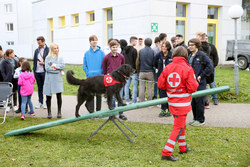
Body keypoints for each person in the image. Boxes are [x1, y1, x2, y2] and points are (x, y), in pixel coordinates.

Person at [158, 46, 199, 161]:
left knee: (181, 125)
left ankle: (182, 147)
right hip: (182, 103)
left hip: (172, 102)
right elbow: (193, 88)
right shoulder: (188, 68)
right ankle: (166, 152)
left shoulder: (168, 67)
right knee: (178, 128)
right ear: (185, 56)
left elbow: (160, 84)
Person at [187, 38, 213, 127]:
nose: (190, 47)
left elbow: (210, 66)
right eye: (189, 45)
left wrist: (201, 75)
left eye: (192, 45)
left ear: (197, 46)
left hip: (200, 83)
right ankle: (195, 118)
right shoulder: (190, 56)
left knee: (199, 101)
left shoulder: (202, 55)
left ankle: (201, 120)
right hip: (192, 83)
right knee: (193, 101)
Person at [102, 39, 127, 120]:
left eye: (116, 47)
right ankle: (112, 114)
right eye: (113, 47)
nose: (115, 48)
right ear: (110, 47)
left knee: (119, 96)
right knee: (111, 97)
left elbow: (123, 67)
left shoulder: (121, 57)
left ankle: (121, 113)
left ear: (118, 47)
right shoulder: (106, 57)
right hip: (110, 80)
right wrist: (106, 76)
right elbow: (104, 68)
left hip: (119, 80)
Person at [83, 35, 105, 112]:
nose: (94, 41)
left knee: (99, 95)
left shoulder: (102, 53)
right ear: (90, 42)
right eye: (93, 40)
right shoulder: (86, 53)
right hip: (90, 78)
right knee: (91, 95)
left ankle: (98, 111)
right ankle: (91, 112)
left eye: (96, 40)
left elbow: (104, 64)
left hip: (99, 77)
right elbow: (84, 66)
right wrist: (88, 73)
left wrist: (102, 74)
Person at [43, 43, 65, 119]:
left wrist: (54, 66)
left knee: (59, 95)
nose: (56, 50)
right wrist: (57, 69)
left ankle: (59, 111)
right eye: (55, 48)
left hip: (57, 79)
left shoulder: (60, 57)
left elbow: (62, 66)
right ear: (52, 49)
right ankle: (49, 112)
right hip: (49, 79)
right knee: (48, 96)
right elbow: (47, 68)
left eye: (57, 48)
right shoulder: (47, 58)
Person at [154, 41, 173, 117]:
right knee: (162, 94)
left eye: (165, 46)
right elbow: (154, 63)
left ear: (168, 47)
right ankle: (163, 109)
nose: (164, 48)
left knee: (169, 94)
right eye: (162, 46)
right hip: (161, 77)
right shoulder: (158, 55)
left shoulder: (171, 55)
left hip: (170, 78)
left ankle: (169, 110)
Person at [33, 36, 49, 109]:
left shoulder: (48, 50)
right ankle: (40, 102)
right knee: (39, 88)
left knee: (46, 88)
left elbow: (50, 61)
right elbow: (34, 60)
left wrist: (44, 63)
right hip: (37, 72)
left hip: (44, 71)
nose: (39, 44)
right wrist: (34, 70)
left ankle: (46, 103)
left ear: (44, 41)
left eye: (40, 43)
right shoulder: (36, 50)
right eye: (38, 43)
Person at [136, 38, 154, 102]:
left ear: (144, 43)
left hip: (142, 71)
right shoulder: (153, 51)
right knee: (149, 88)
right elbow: (154, 62)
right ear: (151, 43)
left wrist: (138, 71)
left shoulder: (140, 51)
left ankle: (142, 101)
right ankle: (149, 101)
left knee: (141, 87)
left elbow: (138, 62)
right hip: (150, 71)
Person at [122, 36, 138, 104]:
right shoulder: (134, 50)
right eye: (135, 41)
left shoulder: (124, 50)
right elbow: (136, 61)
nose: (136, 42)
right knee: (135, 86)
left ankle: (127, 101)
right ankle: (134, 101)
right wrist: (136, 70)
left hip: (126, 71)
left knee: (126, 86)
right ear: (133, 41)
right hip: (133, 71)